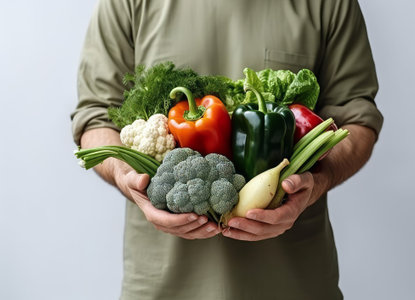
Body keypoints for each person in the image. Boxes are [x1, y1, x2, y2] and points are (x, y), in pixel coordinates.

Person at [71, 0, 383, 299]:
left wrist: (317, 184)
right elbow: (96, 116)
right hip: (162, 287)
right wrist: (126, 174)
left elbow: (357, 120)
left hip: (293, 284)